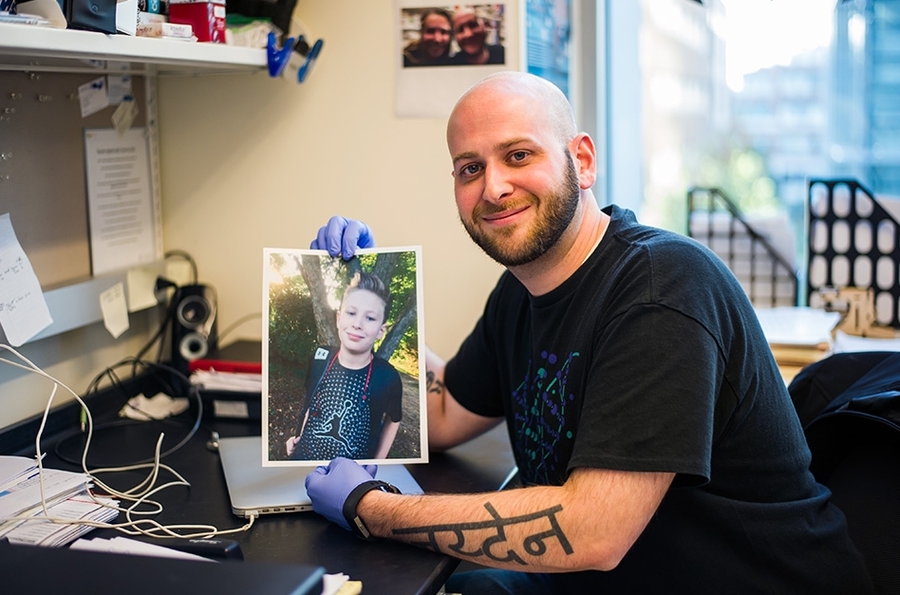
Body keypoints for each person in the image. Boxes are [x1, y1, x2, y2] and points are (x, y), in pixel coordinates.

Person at [304, 72, 872, 594]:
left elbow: (593, 532)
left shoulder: (661, 289)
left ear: (582, 160)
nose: (493, 187)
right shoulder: (519, 293)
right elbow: (445, 410)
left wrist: (370, 507)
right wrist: (366, 284)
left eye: (518, 155)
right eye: (470, 168)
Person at [285, 270, 402, 461]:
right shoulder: (320, 357)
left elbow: (394, 419)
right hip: (303, 460)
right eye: (351, 313)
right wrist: (298, 437)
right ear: (339, 318)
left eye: (370, 318)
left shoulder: (387, 377)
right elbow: (311, 404)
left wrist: (378, 462)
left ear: (381, 330)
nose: (357, 324)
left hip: (351, 473)